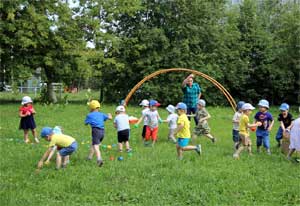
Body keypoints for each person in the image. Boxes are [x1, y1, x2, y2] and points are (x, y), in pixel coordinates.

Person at [85, 100, 112, 167]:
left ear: (91, 108)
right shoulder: (101, 114)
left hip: (95, 131)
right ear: (98, 107)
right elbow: (110, 118)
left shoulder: (89, 115)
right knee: (93, 144)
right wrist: (109, 115)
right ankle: (89, 157)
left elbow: (86, 123)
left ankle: (99, 159)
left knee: (96, 146)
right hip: (102, 132)